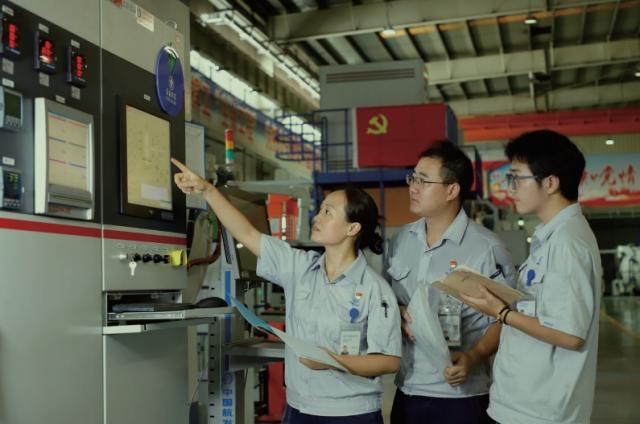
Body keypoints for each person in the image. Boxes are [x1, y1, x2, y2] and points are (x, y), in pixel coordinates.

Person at [171, 158, 401, 424]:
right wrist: (207, 190)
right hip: (298, 408)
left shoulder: (374, 289)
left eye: (328, 212)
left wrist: (334, 361)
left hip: (350, 413)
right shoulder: (298, 267)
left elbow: (389, 361)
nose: (317, 217)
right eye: (320, 210)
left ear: (352, 228)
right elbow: (247, 234)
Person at [460, 130, 602, 424]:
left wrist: (501, 312)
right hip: (523, 404)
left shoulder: (566, 244)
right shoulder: (552, 237)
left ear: (550, 183)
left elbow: (569, 334)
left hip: (539, 412)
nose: (510, 188)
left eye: (516, 178)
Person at [386, 141, 516, 424]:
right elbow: (387, 299)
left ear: (452, 190)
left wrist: (474, 356)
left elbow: (506, 319)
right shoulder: (400, 240)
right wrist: (397, 311)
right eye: (412, 178)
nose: (413, 187)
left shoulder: (487, 249)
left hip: (462, 397)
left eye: (423, 181)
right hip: (407, 390)